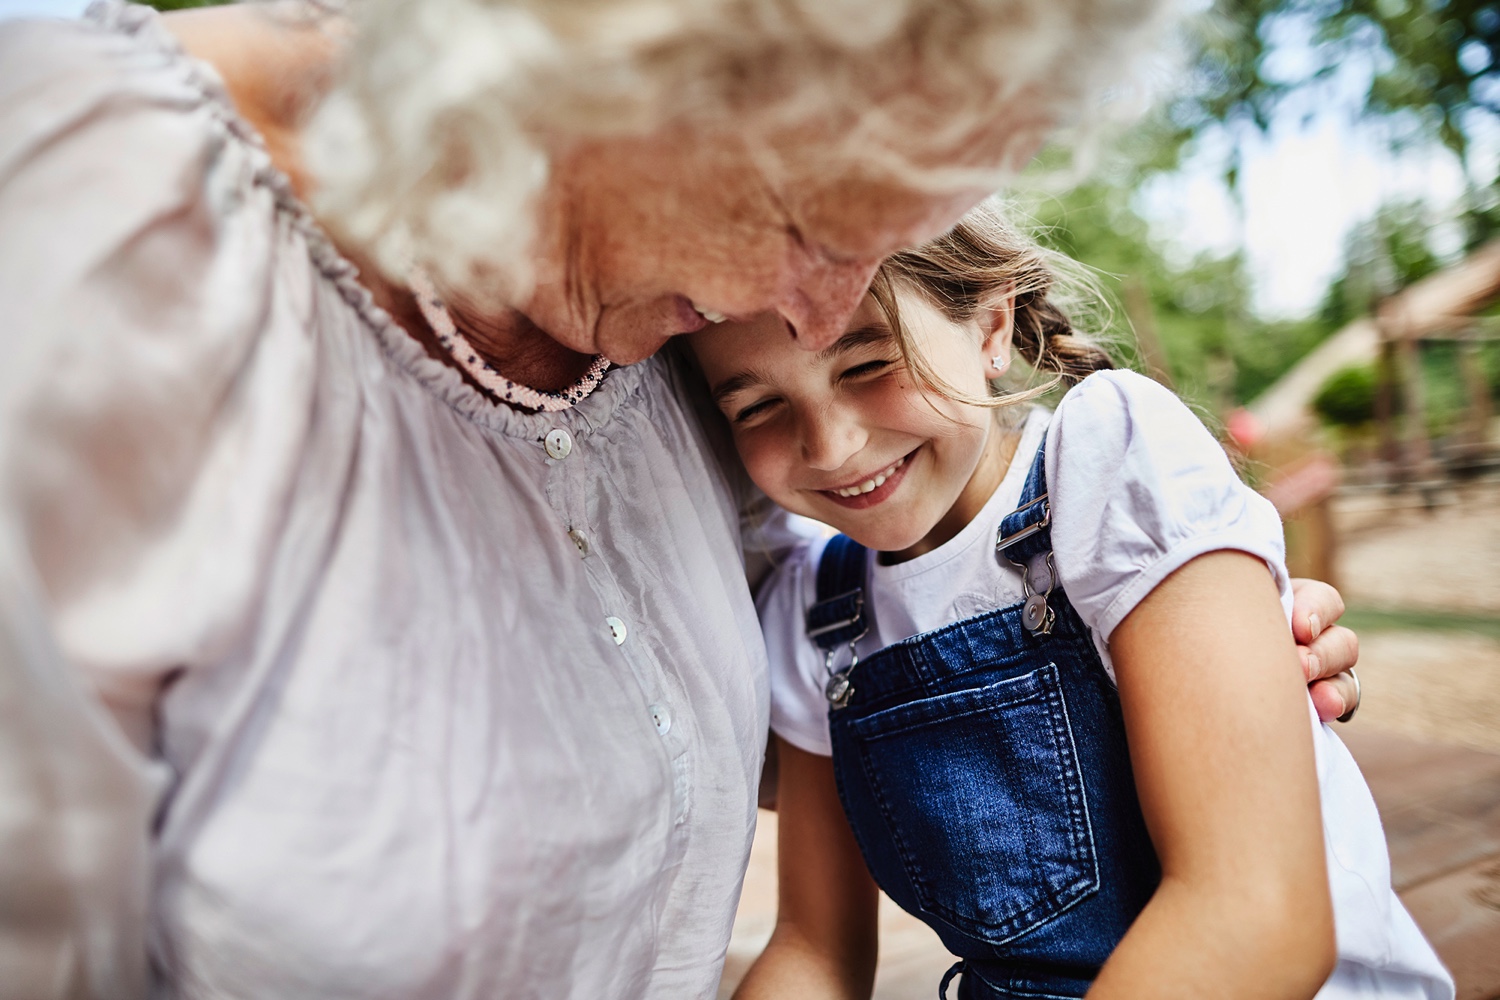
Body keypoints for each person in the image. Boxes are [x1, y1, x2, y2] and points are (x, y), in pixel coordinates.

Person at [0, 1, 1363, 997]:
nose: (815, 314)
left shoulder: (675, 326)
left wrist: (1182, 668)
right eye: (810, 219)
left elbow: (725, 722)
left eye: (889, 245)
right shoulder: (87, 211)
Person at [688, 201, 1450, 999]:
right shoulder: (817, 611)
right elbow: (817, 952)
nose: (831, 445)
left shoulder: (1109, 458)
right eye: (757, 407)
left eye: (868, 364)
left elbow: (1256, 920)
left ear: (989, 326)